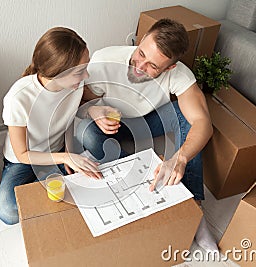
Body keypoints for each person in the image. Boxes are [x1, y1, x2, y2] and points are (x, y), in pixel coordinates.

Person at [75, 19, 217, 251]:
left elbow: (203, 123)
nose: (139, 66)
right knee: (89, 135)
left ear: (169, 67)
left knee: (188, 121)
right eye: (141, 53)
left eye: (153, 66)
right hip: (112, 122)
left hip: (148, 120)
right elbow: (79, 102)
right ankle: (132, 184)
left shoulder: (179, 74)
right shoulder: (105, 60)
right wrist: (94, 110)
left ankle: (194, 208)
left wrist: (179, 158)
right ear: (141, 41)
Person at [0, 27, 101, 225]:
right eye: (80, 71)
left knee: (86, 183)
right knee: (8, 212)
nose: (86, 76)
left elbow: (67, 122)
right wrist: (65, 157)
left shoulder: (73, 86)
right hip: (23, 161)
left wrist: (70, 150)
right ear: (57, 73)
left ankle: (51, 179)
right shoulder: (19, 97)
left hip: (58, 152)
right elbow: (22, 154)